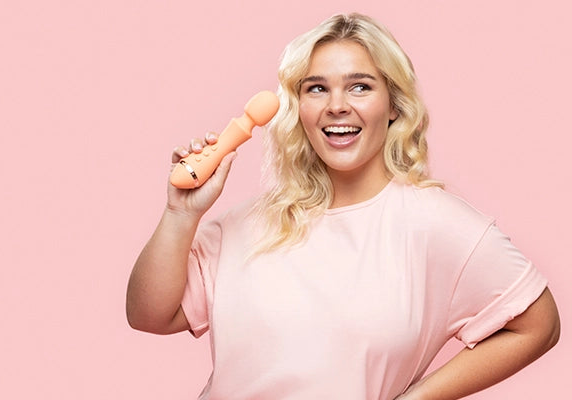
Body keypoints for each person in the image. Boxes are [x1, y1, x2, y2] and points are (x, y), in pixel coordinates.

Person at [126, 13, 560, 400]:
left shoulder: (435, 223)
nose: (337, 106)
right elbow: (148, 315)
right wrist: (181, 214)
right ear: (299, 108)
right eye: (317, 88)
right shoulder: (244, 226)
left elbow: (539, 325)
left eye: (360, 86)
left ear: (393, 104)